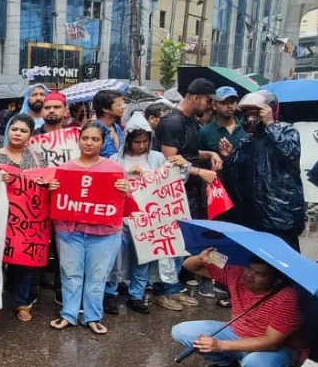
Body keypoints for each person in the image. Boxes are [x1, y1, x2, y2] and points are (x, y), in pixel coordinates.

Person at [172, 249, 304, 367]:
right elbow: (189, 266)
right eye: (249, 268)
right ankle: (227, 363)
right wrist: (200, 258)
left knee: (255, 363)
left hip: (276, 349)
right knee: (182, 331)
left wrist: (220, 345)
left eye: (259, 274)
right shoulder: (237, 273)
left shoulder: (288, 298)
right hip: (237, 331)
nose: (249, 275)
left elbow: (272, 343)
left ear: (277, 280)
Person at [47, 122, 132, 335]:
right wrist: (52, 189)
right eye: (85, 138)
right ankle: (69, 314)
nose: (89, 143)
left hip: (105, 234)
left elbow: (125, 205)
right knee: (71, 274)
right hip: (69, 232)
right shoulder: (64, 168)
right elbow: (54, 201)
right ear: (79, 139)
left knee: (97, 276)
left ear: (103, 143)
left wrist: (125, 190)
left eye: (95, 139)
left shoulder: (115, 170)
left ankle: (93, 316)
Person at [105, 112, 194, 314]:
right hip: (121, 218)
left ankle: (137, 295)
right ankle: (109, 293)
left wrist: (183, 165)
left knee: (143, 258)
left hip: (147, 219)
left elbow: (173, 180)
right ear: (129, 140)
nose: (142, 146)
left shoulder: (157, 158)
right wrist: (128, 176)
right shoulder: (114, 159)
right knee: (114, 257)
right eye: (137, 142)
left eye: (145, 141)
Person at [220, 91, 305, 251]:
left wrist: (271, 124)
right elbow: (237, 180)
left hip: (280, 216)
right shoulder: (247, 141)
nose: (249, 119)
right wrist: (230, 158)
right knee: (258, 264)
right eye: (246, 115)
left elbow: (290, 153)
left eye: (254, 114)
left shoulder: (286, 131)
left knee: (285, 262)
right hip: (254, 216)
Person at [0, 113, 47, 323]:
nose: (18, 134)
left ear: (30, 135)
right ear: (8, 131)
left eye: (23, 131)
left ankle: (22, 303)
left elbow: (43, 184)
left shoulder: (38, 157)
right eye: (14, 129)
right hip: (1, 216)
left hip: (27, 221)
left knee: (22, 263)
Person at [156, 77, 222, 219]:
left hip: (192, 193)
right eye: (208, 101)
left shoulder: (190, 119)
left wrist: (210, 154)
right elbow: (170, 163)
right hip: (176, 197)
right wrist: (200, 172)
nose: (210, 106)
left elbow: (187, 152)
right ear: (195, 98)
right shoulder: (173, 122)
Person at [91, 90, 126, 158]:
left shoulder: (117, 127)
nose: (123, 107)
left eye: (123, 103)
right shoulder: (94, 130)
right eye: (119, 105)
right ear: (105, 109)